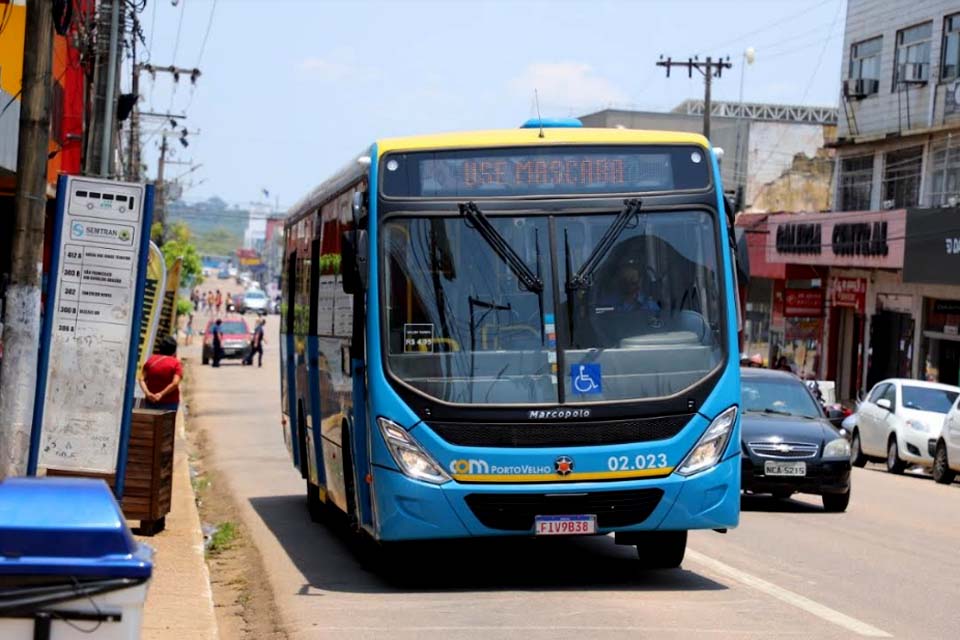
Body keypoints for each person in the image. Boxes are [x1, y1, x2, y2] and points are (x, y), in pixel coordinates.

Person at [139, 335, 183, 411]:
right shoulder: (176, 363)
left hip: (150, 401)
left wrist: (148, 393)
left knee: (150, 422)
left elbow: (141, 379)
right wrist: (161, 394)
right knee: (167, 423)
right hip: (169, 403)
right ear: (174, 350)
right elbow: (175, 383)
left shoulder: (151, 360)